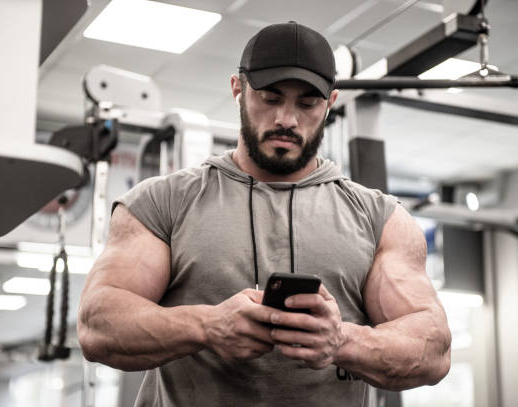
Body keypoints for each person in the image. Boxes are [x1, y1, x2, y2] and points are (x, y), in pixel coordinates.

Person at [78, 21, 451, 406]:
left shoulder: (380, 218)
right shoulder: (163, 202)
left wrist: (342, 341)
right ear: (238, 90)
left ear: (330, 104)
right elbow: (97, 324)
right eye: (270, 98)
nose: (286, 119)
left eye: (307, 103)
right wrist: (208, 326)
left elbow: (433, 347)